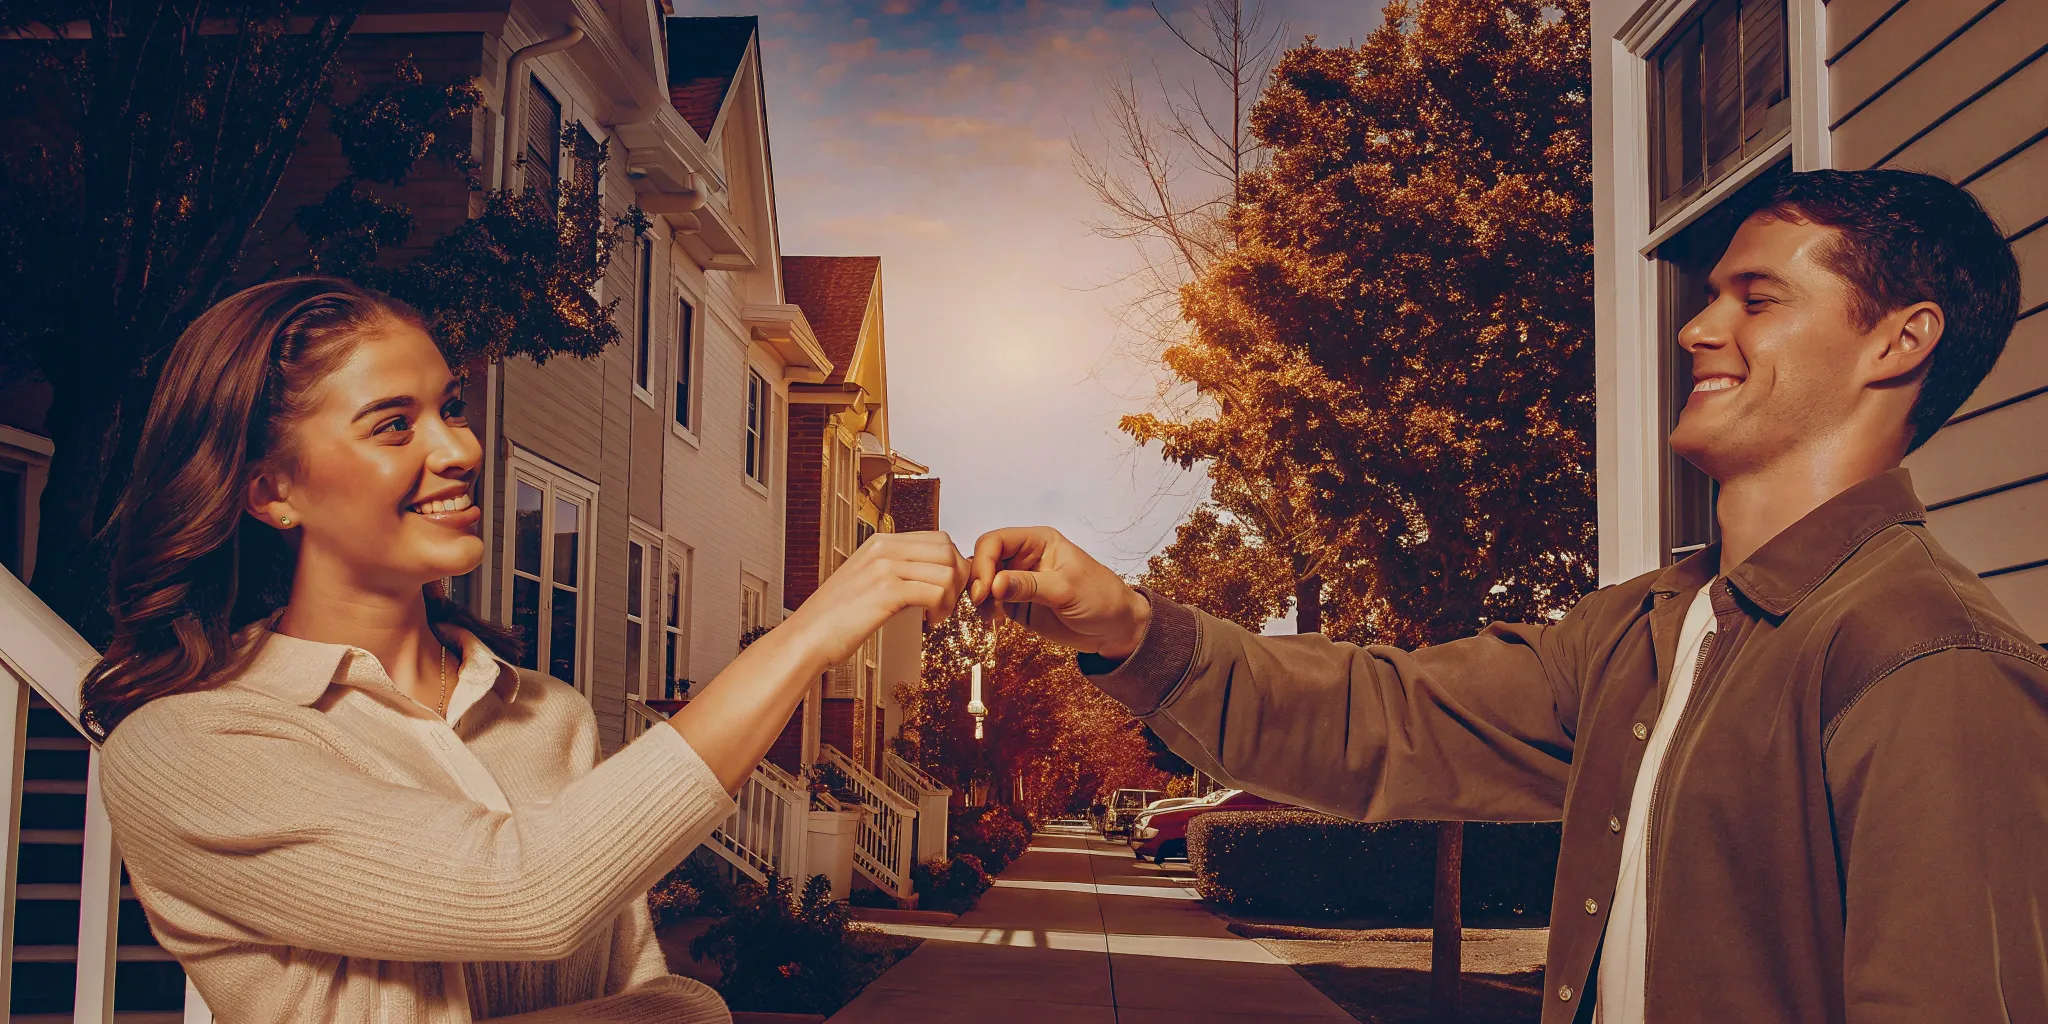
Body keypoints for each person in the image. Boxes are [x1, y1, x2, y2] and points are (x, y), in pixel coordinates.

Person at [969, 169, 2048, 1023]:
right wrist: (1127, 626)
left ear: (1898, 341)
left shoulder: (1924, 662)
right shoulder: (1643, 631)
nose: (1695, 327)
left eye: (1755, 298)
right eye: (1711, 292)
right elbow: (1380, 716)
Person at [83, 277, 973, 1022]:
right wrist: (811, 630)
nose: (460, 448)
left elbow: (652, 994)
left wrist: (680, 1010)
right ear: (273, 491)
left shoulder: (549, 714)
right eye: (395, 425)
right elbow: (529, 896)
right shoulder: (192, 745)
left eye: (452, 407)